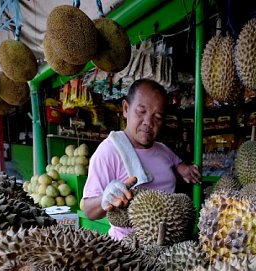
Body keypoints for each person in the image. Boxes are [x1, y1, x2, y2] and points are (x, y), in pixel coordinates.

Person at [82, 78, 200, 239]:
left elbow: (175, 161)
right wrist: (105, 198)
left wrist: (183, 168)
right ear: (125, 109)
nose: (148, 122)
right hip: (131, 252)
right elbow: (88, 210)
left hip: (170, 243)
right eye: (141, 111)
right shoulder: (108, 151)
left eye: (157, 117)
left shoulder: (162, 149)